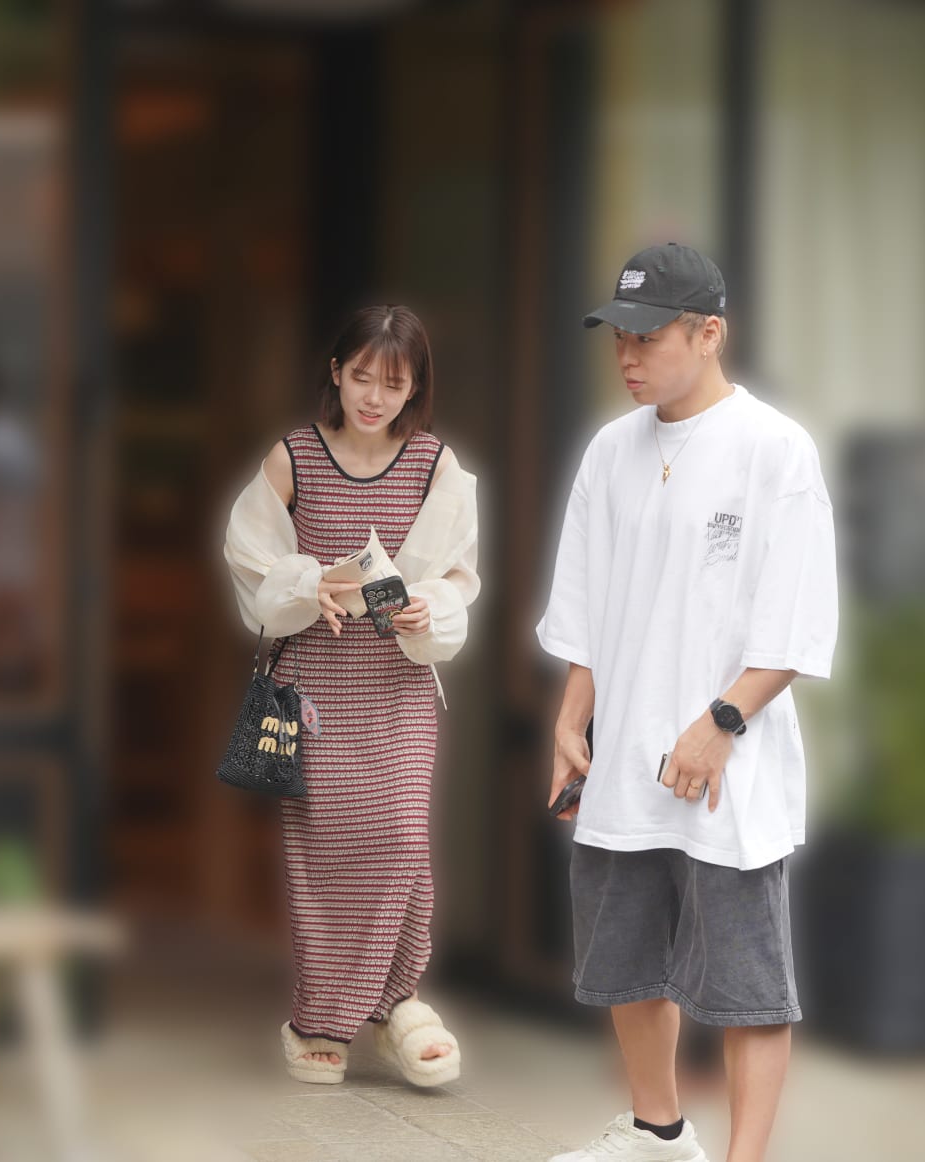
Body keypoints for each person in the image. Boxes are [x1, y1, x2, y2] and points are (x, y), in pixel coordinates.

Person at [537, 244, 838, 1162]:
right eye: (618, 337)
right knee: (626, 961)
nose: (627, 356)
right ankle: (658, 1137)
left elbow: (795, 621)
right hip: (625, 755)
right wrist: (570, 720)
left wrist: (720, 724)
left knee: (748, 985)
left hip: (726, 768)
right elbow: (586, 602)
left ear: (710, 333)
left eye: (647, 336)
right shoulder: (610, 450)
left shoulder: (774, 450)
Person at [224, 304, 479, 1088]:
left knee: (402, 839)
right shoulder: (293, 457)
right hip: (316, 686)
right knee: (323, 856)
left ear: (415, 388)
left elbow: (458, 575)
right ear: (335, 372)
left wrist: (428, 607)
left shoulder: (436, 465)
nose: (374, 396)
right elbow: (248, 560)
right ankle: (353, 1014)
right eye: (362, 376)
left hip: (398, 686)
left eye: (393, 384)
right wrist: (311, 584)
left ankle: (374, 1006)